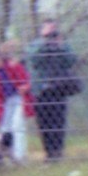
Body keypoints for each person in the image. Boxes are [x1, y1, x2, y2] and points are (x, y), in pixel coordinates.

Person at [28, 19, 78, 162]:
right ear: (42, 31)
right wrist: (44, 43)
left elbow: (71, 61)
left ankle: (58, 151)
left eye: (54, 29)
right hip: (41, 90)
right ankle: (49, 152)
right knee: (44, 123)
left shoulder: (62, 45)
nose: (51, 33)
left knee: (59, 121)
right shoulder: (35, 45)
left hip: (58, 88)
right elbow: (33, 60)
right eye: (48, 30)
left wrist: (60, 46)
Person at [0, 42, 34, 164]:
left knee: (18, 125)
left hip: (19, 98)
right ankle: (8, 155)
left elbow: (27, 80)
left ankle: (20, 156)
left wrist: (25, 87)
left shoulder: (13, 66)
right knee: (5, 129)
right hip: (7, 101)